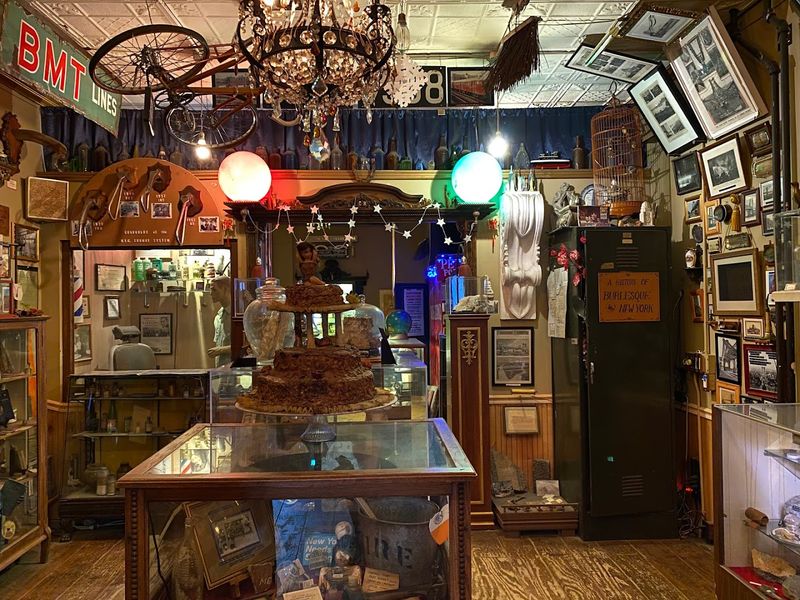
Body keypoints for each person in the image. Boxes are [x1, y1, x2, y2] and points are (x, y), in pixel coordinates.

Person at [208, 276, 232, 366]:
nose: (211, 293)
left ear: (225, 289)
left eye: (214, 290)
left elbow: (246, 346)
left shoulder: (237, 316)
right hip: (220, 370)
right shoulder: (218, 317)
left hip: (236, 371)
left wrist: (220, 350)